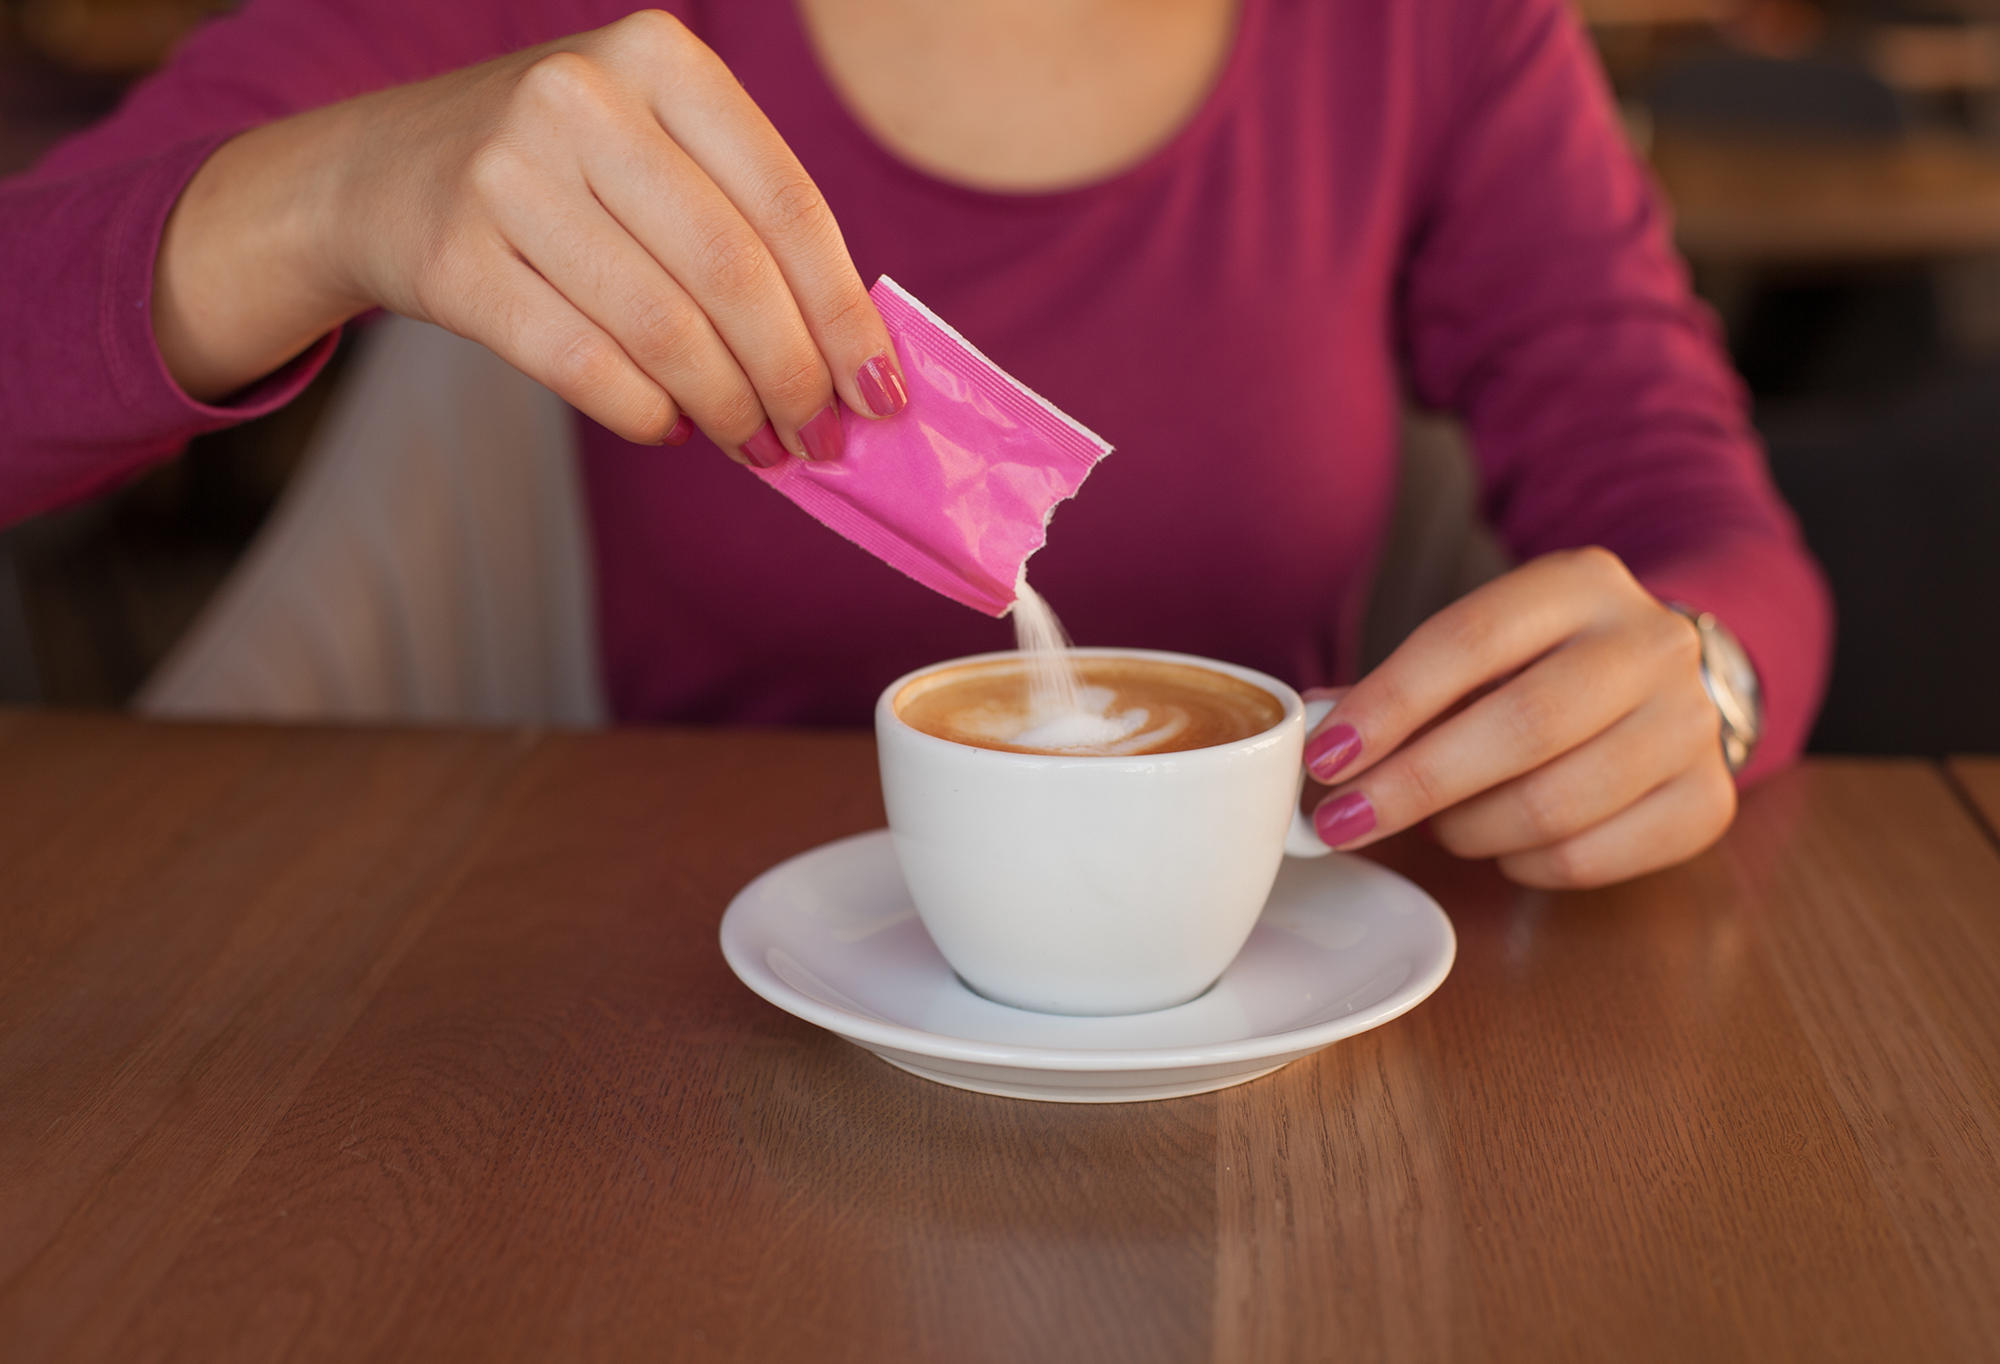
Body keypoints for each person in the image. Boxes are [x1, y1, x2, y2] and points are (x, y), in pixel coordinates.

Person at [0, 0, 1831, 889]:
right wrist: (319, 197)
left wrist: (1705, 677)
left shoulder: (1428, 28)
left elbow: (1686, 504)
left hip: (1257, 1027)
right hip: (647, 1047)